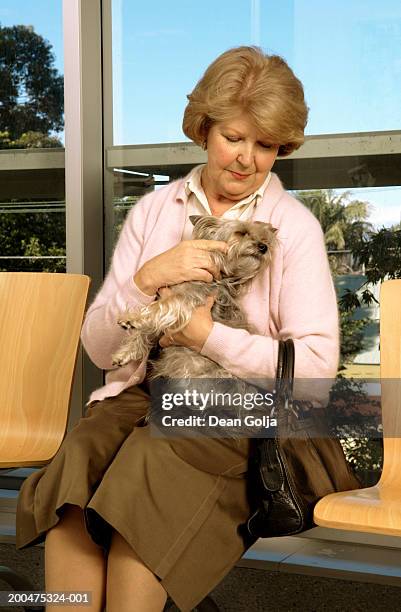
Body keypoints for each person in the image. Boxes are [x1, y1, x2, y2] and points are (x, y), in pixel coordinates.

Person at [15, 46, 339, 612]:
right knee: (78, 459)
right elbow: (100, 348)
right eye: (234, 137)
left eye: (264, 146)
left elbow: (314, 370)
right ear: (204, 128)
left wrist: (206, 337)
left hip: (249, 407)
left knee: (150, 463)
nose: (246, 159)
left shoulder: (294, 227)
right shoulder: (155, 211)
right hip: (147, 390)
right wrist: (145, 279)